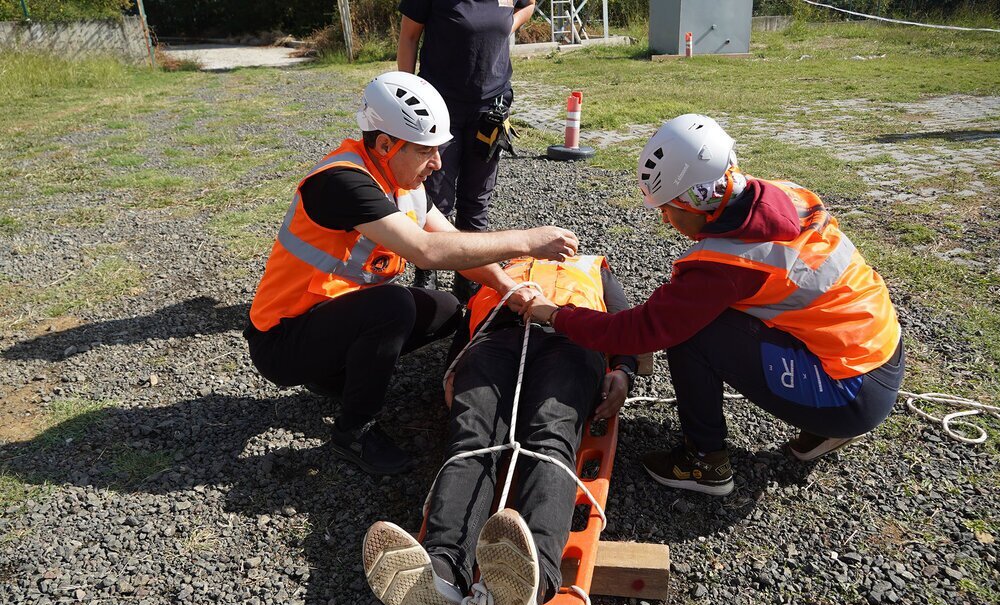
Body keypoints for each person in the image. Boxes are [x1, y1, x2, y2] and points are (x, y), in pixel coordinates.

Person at [523, 114, 905, 497]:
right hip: (881, 352)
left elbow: (639, 330)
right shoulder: (781, 194)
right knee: (712, 316)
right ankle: (825, 428)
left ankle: (704, 463)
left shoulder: (726, 264)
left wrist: (554, 313)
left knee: (693, 333)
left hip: (851, 394)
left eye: (668, 208)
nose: (664, 217)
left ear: (696, 201)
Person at [244, 72, 578, 477]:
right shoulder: (342, 182)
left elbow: (453, 243)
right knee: (393, 306)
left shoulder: (402, 181)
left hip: (329, 320)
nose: (437, 164)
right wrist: (527, 241)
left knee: (448, 307)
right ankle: (354, 432)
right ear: (385, 144)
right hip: (281, 340)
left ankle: (338, 374)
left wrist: (508, 288)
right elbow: (427, 251)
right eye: (426, 151)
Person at [361, 255, 636, 605]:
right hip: (494, 343)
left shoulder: (596, 267)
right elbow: (469, 322)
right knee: (473, 440)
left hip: (572, 340)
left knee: (550, 438)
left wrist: (624, 369)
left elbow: (624, 323)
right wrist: (452, 368)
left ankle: (531, 583)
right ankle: (440, 574)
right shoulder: (495, 266)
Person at [397, 0, 537, 301]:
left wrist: (503, 27)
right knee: (435, 197)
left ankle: (469, 287)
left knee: (477, 201)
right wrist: (406, 96)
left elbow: (529, 5)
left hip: (491, 107)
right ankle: (427, 280)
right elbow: (408, 37)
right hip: (438, 107)